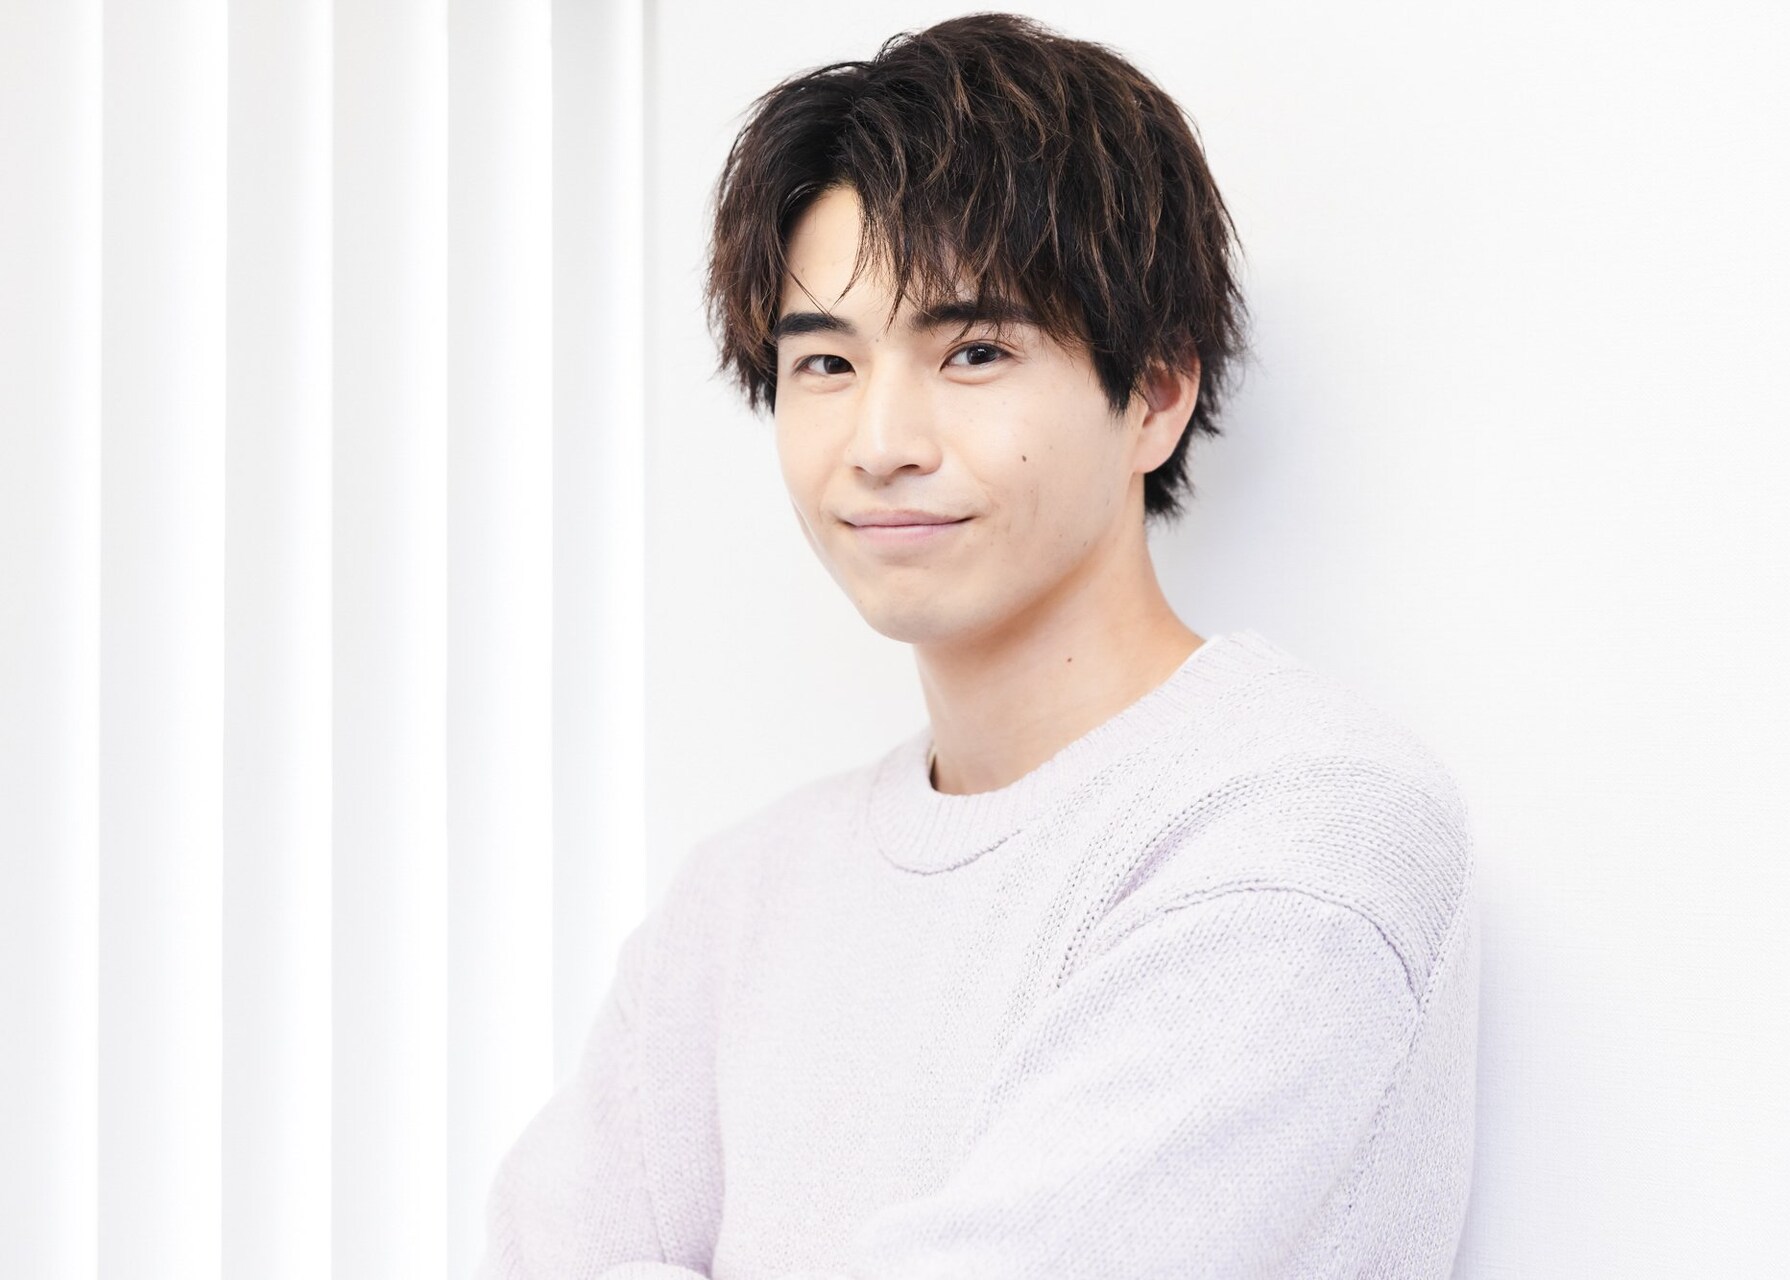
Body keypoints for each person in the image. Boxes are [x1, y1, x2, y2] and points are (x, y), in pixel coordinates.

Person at [479, 13, 1478, 1279]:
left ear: (1157, 392)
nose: (880, 442)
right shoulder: (741, 896)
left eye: (975, 351)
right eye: (826, 361)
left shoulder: (1300, 825)